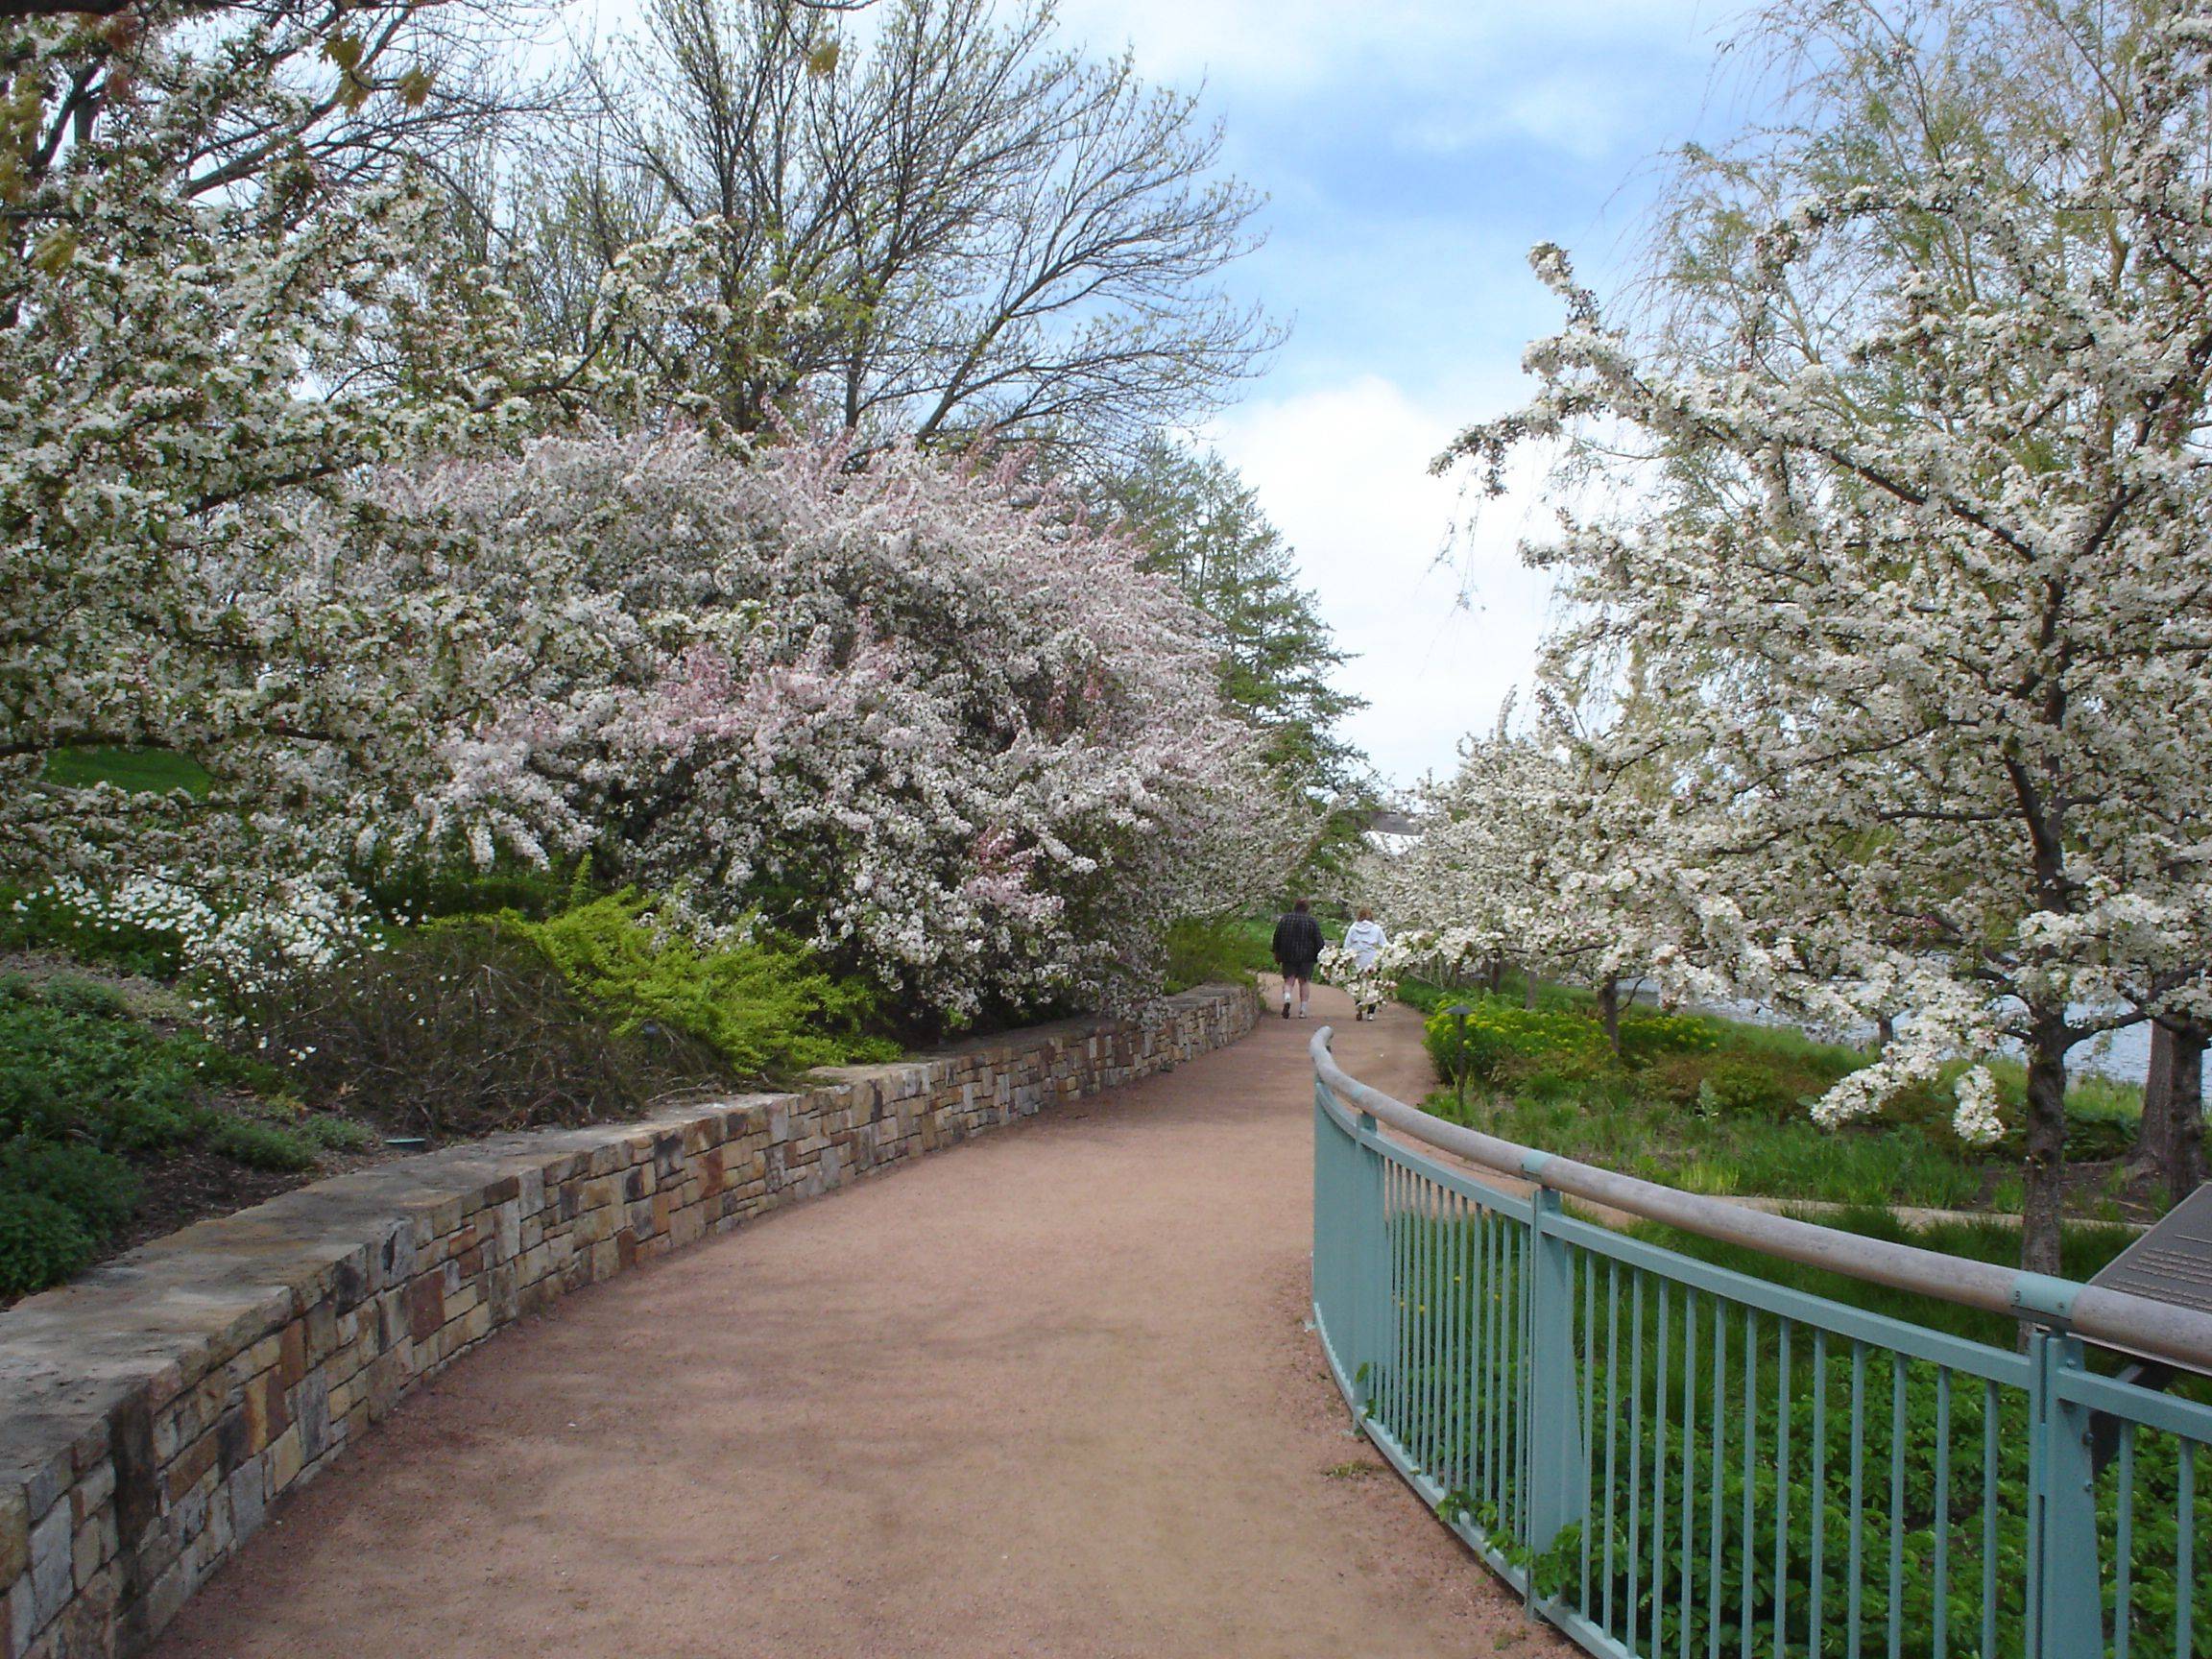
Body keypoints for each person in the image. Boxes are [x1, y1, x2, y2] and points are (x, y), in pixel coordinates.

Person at [1270, 898, 1324, 1020]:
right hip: (1307, 957)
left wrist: (1276, 952)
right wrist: (1319, 954)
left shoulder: (1285, 919)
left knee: (1289, 981)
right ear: (1307, 908)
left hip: (1288, 955)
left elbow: (1277, 937)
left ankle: (1287, 998)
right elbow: (1318, 940)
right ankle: (1303, 1010)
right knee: (1304, 982)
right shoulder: (1311, 921)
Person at [1343, 908, 1389, 1021]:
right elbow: (1385, 945)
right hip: (1372, 959)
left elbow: (1346, 945)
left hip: (1357, 959)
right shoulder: (1376, 929)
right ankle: (1370, 1013)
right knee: (1372, 985)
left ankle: (1359, 1007)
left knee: (1358, 985)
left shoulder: (1353, 928)